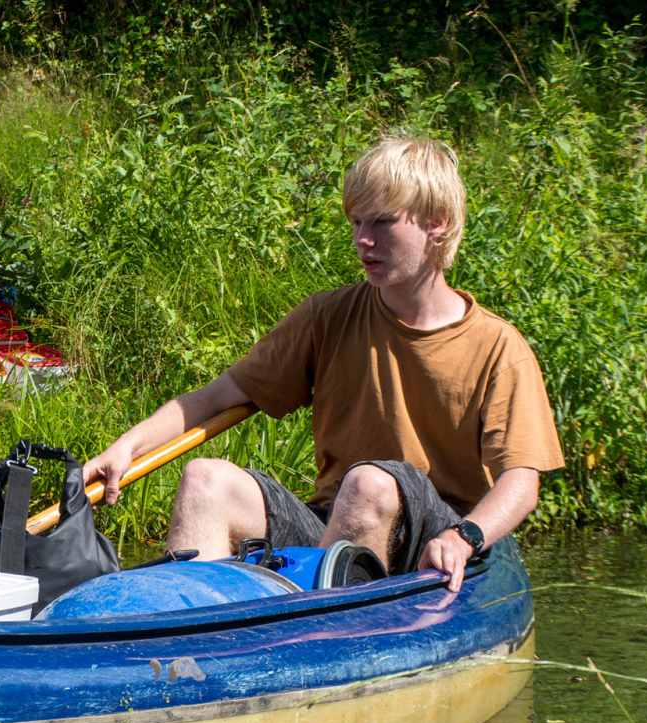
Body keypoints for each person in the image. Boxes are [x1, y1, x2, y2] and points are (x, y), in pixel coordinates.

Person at [84, 137, 564, 593]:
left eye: (382, 223)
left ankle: (323, 630)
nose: (363, 240)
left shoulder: (499, 346)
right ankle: (200, 633)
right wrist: (127, 447)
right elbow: (215, 398)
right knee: (205, 481)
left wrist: (465, 538)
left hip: (437, 538)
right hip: (337, 523)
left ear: (436, 223)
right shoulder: (327, 317)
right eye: (356, 223)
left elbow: (521, 483)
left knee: (369, 484)